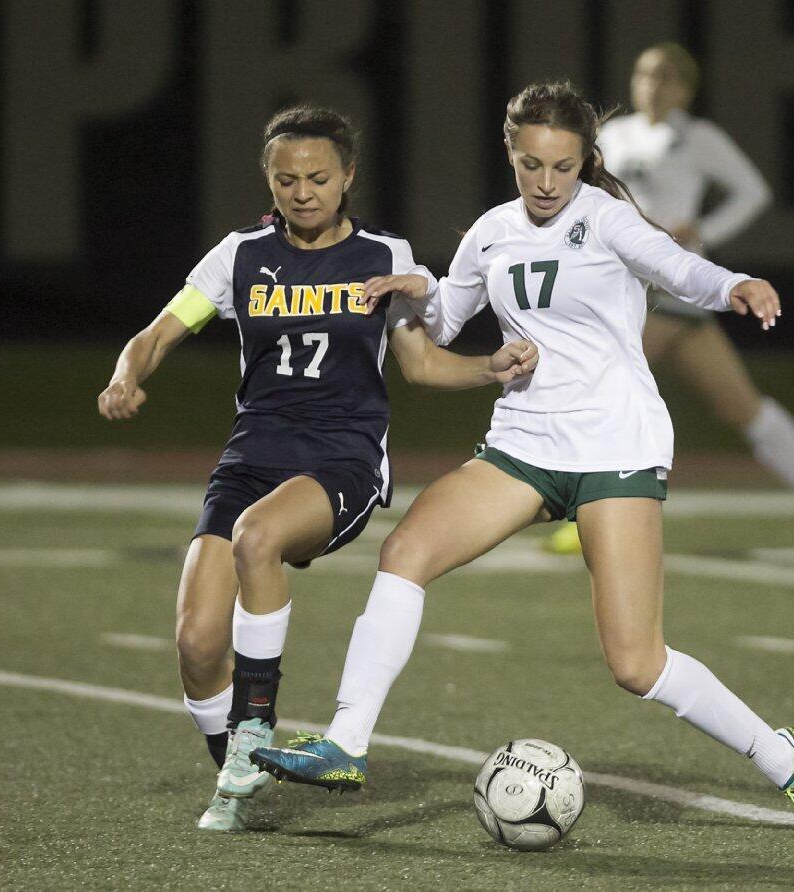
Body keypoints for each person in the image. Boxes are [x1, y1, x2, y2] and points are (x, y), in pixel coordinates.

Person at [250, 83, 794, 835]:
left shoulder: (607, 219)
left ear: (586, 163)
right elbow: (444, 320)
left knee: (637, 665)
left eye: (563, 167)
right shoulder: (492, 231)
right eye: (531, 164)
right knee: (405, 551)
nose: (545, 183)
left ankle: (783, 758)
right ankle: (346, 742)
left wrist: (734, 284)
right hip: (525, 444)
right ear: (511, 154)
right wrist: (418, 291)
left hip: (614, 446)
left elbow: (676, 266)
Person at [97, 105, 538, 832]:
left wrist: (489, 367)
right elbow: (159, 331)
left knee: (257, 536)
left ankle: (255, 729)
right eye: (287, 179)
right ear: (268, 181)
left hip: (343, 457)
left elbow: (422, 365)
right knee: (197, 644)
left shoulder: (383, 254)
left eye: (318, 178)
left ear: (348, 178)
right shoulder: (239, 254)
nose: (303, 192)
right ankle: (235, 777)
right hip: (251, 454)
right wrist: (125, 376)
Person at [547, 42, 794, 563]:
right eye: (646, 74)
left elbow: (753, 192)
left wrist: (702, 231)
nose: (653, 84)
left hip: (670, 287)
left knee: (599, 384)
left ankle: (588, 514)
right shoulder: (612, 135)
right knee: (741, 408)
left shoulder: (699, 137)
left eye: (667, 77)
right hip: (628, 285)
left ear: (686, 89)